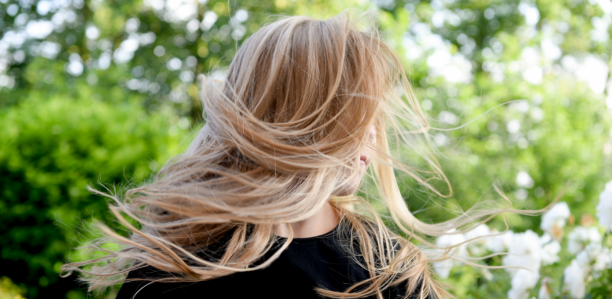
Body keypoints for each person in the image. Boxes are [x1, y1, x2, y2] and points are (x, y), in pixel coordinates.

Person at [61, 12, 557, 299]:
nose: (374, 139)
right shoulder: (177, 271)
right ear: (305, 121)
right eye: (359, 118)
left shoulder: (388, 267)